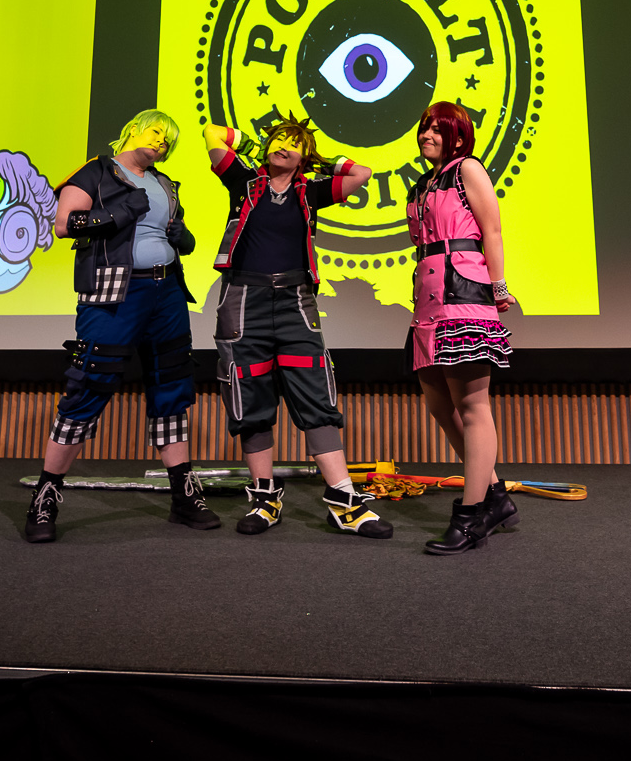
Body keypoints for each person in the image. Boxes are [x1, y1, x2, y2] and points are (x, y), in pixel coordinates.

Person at [23, 110, 211, 544]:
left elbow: (176, 234)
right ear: (132, 129)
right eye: (157, 133)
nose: (162, 143)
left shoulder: (165, 184)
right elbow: (64, 224)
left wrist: (181, 237)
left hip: (167, 291)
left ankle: (183, 495)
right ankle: (45, 495)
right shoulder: (96, 171)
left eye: (169, 141)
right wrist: (120, 212)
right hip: (114, 292)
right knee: (89, 382)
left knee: (171, 385)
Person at [203, 114, 389, 539]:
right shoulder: (243, 182)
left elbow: (362, 173)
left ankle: (343, 502)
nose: (282, 145)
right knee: (248, 397)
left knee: (315, 393)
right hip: (243, 300)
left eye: (292, 142)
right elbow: (212, 134)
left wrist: (320, 159)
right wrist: (254, 143)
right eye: (277, 139)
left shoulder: (311, 191)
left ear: (305, 156)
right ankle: (264, 499)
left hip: (295, 302)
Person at [406, 101, 516, 555]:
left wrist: (499, 286)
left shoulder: (467, 168)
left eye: (437, 128)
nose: (427, 134)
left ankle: (471, 517)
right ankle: (495, 496)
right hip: (428, 297)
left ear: (457, 135)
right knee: (438, 403)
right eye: (424, 127)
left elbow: (492, 230)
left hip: (464, 293)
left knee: (472, 405)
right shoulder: (422, 183)